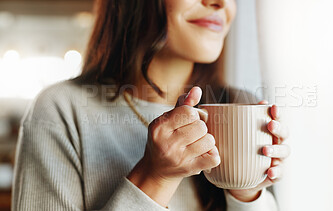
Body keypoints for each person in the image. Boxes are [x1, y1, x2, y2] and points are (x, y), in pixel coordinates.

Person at [12, 0, 290, 210]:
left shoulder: (239, 106)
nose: (219, 3)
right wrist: (155, 178)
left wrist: (247, 192)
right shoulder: (60, 111)